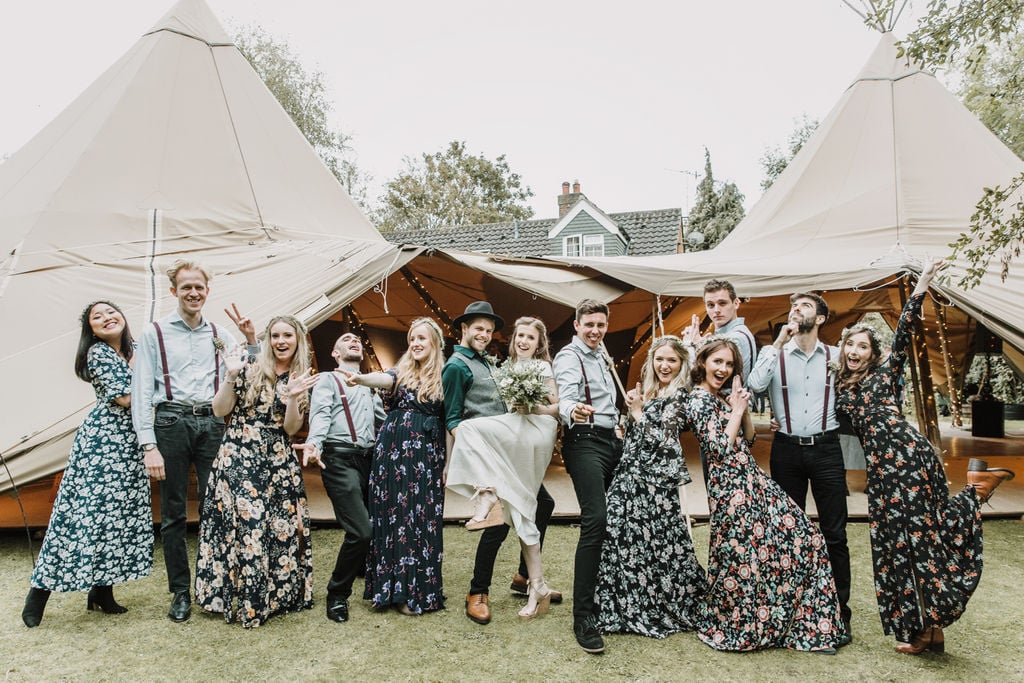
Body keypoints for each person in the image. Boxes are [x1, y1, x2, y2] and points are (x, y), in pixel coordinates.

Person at [834, 259, 1015, 654]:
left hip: (910, 458)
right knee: (901, 543)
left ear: (872, 353)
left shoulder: (886, 373)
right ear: (844, 350)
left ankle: (973, 493)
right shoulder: (842, 389)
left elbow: (904, 333)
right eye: (850, 344)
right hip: (883, 470)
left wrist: (923, 285)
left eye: (863, 345)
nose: (855, 350)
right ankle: (931, 631)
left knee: (915, 541)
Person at [684, 337, 846, 653]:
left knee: (804, 537)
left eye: (729, 364)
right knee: (743, 560)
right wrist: (738, 408)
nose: (723, 368)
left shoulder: (720, 398)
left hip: (753, 482)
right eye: (717, 362)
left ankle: (790, 621)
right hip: (731, 491)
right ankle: (744, 627)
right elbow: (718, 448)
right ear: (703, 362)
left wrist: (740, 409)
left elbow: (750, 436)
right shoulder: (698, 400)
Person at [131, 260, 258, 622]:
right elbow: (141, 390)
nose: (193, 292)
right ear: (174, 291)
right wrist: (148, 444)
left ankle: (213, 585)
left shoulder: (220, 333)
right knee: (172, 514)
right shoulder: (154, 333)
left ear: (207, 291)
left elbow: (249, 372)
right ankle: (181, 592)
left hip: (212, 422)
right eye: (186, 286)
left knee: (215, 507)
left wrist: (251, 340)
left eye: (199, 287)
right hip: (170, 422)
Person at [22, 301, 153, 627]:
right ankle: (38, 592)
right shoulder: (97, 354)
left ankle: (101, 591)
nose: (108, 318)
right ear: (90, 329)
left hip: (131, 445)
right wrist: (154, 382)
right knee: (82, 517)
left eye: (112, 313)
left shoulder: (137, 348)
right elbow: (127, 398)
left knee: (117, 519)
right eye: (98, 317)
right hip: (101, 445)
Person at [194, 315, 318, 628]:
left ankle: (275, 595)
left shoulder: (300, 376)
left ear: (297, 340)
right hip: (238, 454)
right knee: (246, 527)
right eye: (275, 335)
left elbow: (290, 428)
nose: (280, 341)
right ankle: (244, 599)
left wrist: (291, 396)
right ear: (267, 339)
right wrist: (229, 376)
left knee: (277, 526)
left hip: (277, 460)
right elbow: (220, 410)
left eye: (287, 335)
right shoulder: (248, 366)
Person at [745, 292, 853, 644]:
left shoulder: (837, 356)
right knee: (788, 533)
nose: (796, 310)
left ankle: (839, 610)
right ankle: (790, 608)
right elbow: (754, 386)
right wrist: (776, 342)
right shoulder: (775, 354)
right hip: (787, 450)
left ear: (820, 318)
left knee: (835, 533)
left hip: (826, 449)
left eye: (805, 306)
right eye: (794, 306)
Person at [446, 315, 562, 621]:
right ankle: (522, 585)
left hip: (526, 435)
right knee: (518, 512)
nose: (523, 340)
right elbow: (455, 416)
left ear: (539, 345)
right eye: (520, 335)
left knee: (531, 506)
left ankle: (525, 578)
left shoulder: (527, 366)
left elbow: (554, 405)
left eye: (530, 337)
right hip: (506, 439)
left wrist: (530, 406)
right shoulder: (475, 366)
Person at [595, 336, 708, 639]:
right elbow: (638, 434)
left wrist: (637, 414)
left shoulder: (680, 395)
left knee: (658, 547)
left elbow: (667, 440)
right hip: (629, 476)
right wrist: (627, 423)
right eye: (660, 359)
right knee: (619, 538)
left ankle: (655, 604)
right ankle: (621, 603)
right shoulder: (648, 390)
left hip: (655, 485)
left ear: (682, 363)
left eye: (672, 360)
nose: (665, 365)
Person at [342, 317, 447, 615]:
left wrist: (448, 464)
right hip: (392, 453)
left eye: (421, 338)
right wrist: (362, 379)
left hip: (427, 456)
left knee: (421, 519)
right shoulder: (401, 372)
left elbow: (452, 421)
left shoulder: (445, 376)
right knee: (393, 517)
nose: (415, 343)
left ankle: (419, 590)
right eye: (412, 338)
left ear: (434, 343)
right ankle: (392, 590)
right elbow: (384, 378)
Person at [294, 333, 386, 624]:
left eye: (357, 339)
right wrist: (314, 444)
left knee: (375, 522)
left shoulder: (371, 384)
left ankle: (363, 569)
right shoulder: (326, 380)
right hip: (338, 458)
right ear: (335, 353)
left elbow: (383, 421)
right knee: (361, 531)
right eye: (345, 340)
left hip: (369, 459)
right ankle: (337, 594)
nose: (353, 341)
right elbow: (320, 415)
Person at [553, 298, 623, 654]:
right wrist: (572, 410)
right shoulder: (570, 356)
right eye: (589, 324)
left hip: (612, 441)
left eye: (601, 324)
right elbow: (565, 397)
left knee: (625, 516)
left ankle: (614, 597)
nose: (595, 330)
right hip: (584, 442)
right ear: (577, 325)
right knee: (596, 519)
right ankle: (583, 616)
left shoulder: (603, 355)